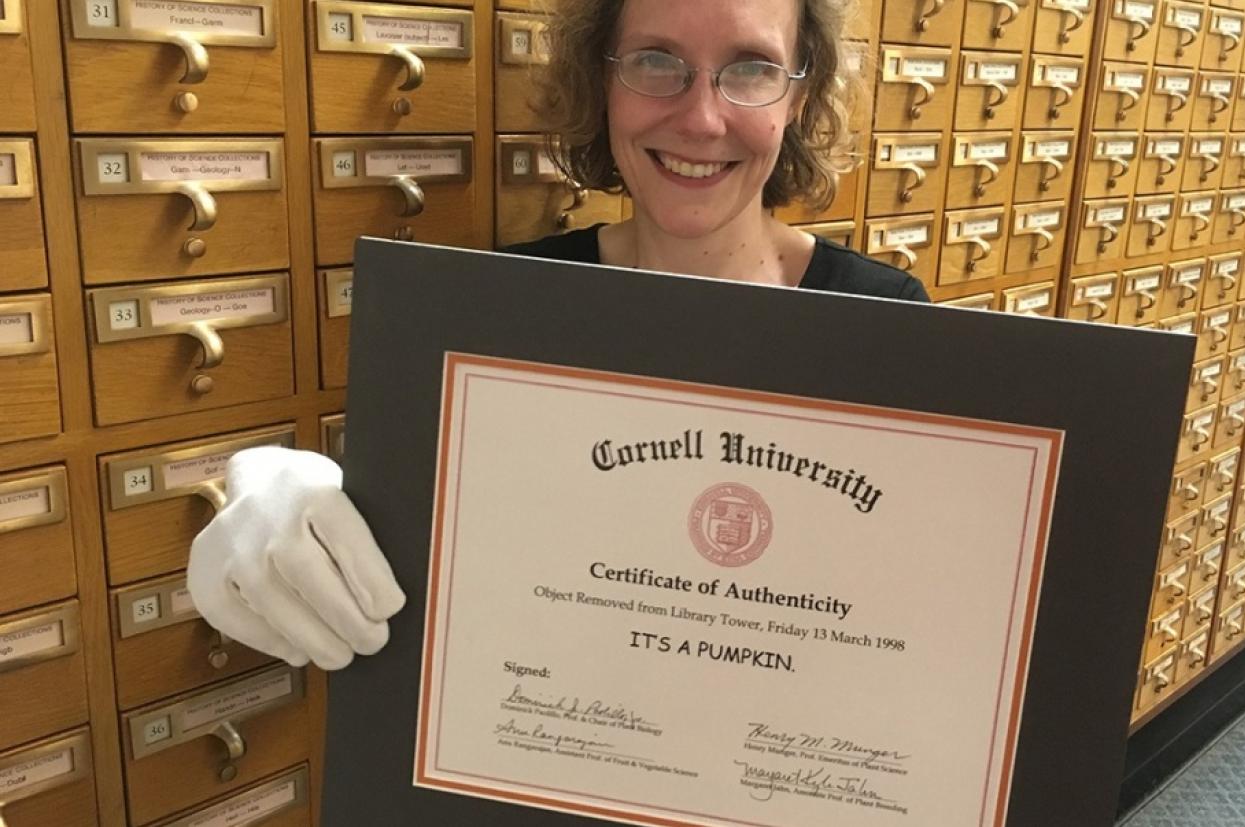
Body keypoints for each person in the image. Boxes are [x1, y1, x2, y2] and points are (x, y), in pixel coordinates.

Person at [187, 0, 931, 671]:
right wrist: (286, 518)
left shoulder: (887, 320)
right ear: (601, 81)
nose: (702, 118)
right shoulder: (500, 313)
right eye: (654, 62)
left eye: (752, 69)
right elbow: (408, 557)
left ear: (798, 95)